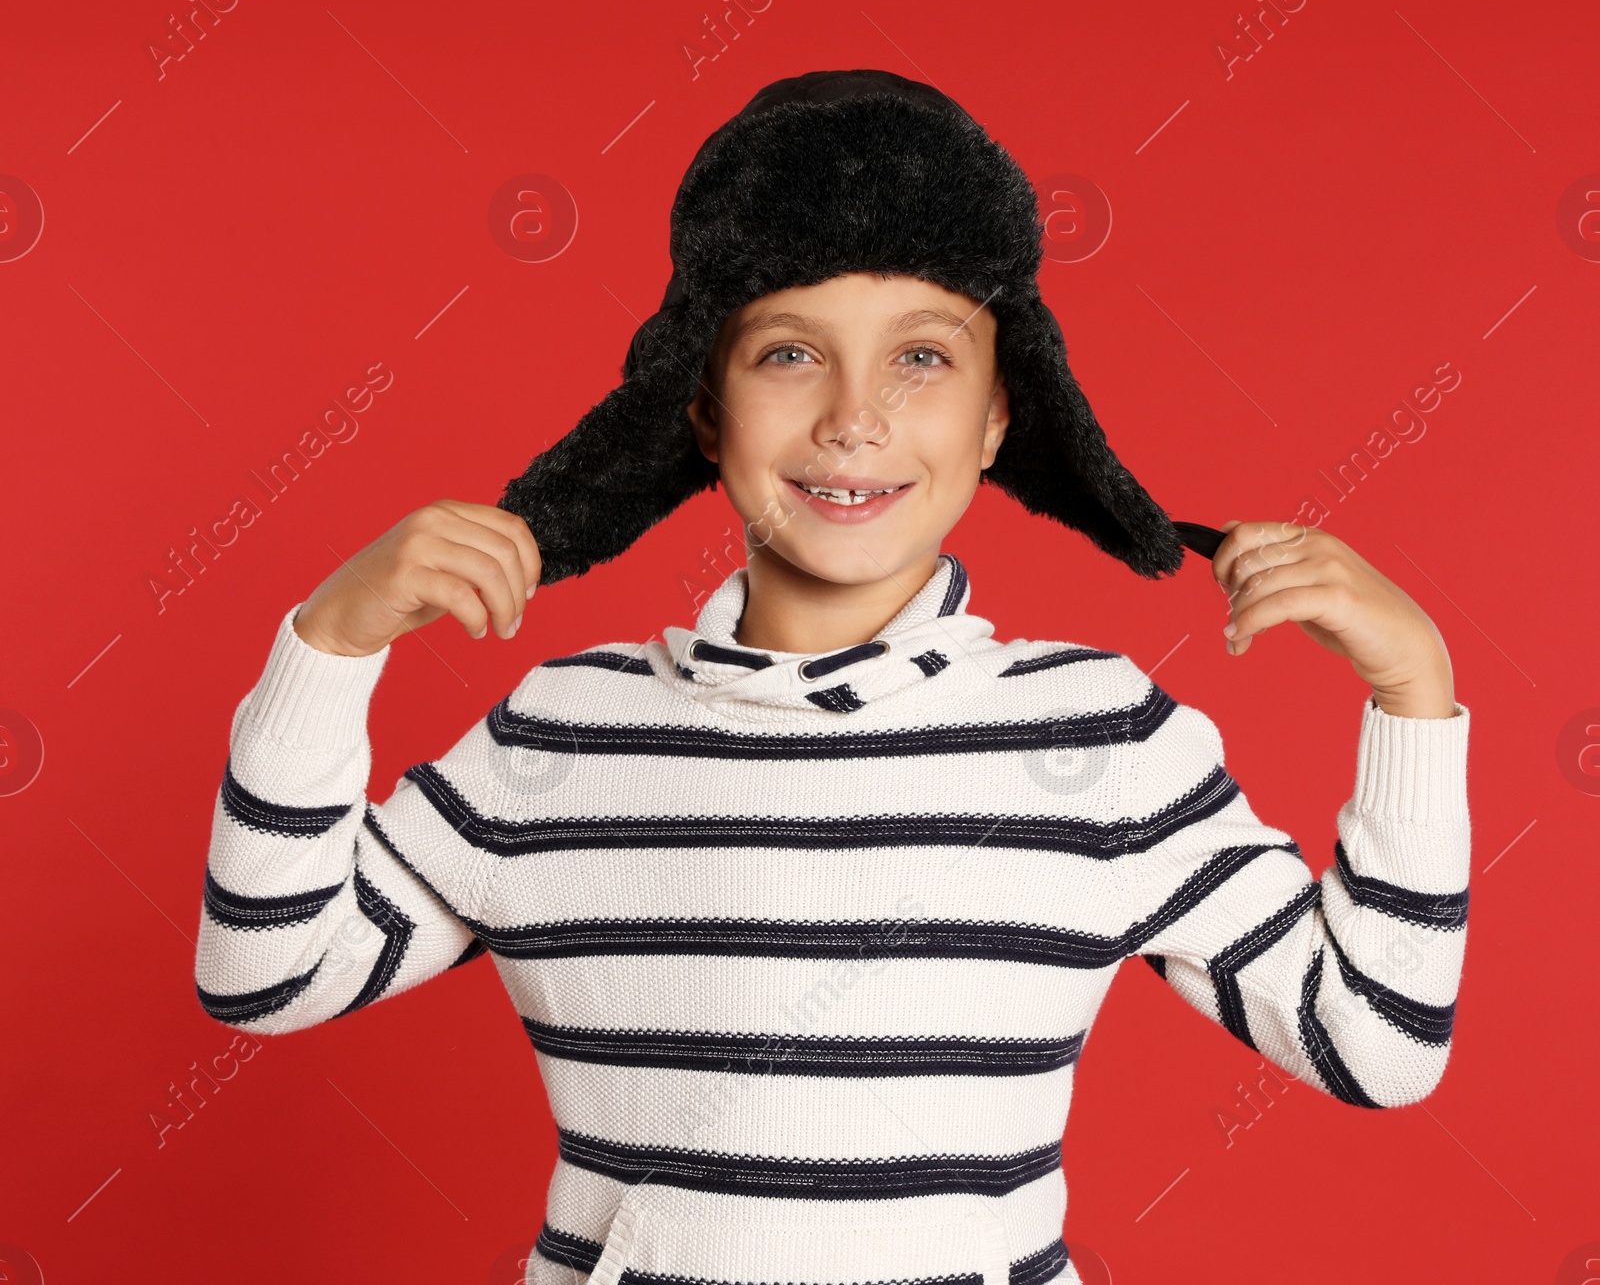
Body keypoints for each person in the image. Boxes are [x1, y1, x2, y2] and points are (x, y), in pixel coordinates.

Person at [194, 71, 1469, 1285]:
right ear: (702, 409)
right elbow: (266, 972)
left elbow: (1373, 1043)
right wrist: (329, 643)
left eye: (922, 356)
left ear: (998, 418)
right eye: (789, 353)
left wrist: (1414, 690)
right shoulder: (565, 733)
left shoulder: (1099, 737)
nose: (854, 416)